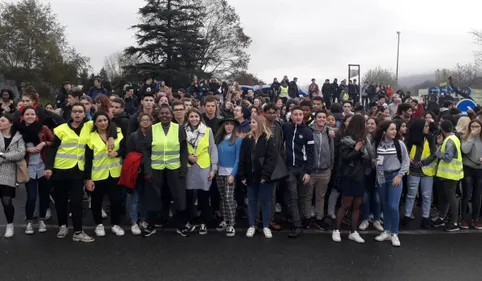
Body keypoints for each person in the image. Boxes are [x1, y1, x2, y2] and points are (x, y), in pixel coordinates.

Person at [45, 103, 116, 243]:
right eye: (75, 111)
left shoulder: (89, 126)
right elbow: (52, 150)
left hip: (78, 171)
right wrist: (49, 167)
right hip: (60, 170)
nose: (77, 114)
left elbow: (110, 124)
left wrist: (112, 137)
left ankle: (78, 231)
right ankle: (63, 226)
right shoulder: (61, 129)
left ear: (85, 113)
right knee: (60, 201)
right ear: (71, 113)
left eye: (80, 112)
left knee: (77, 202)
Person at [142, 104, 190, 237]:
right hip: (156, 169)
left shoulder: (179, 128)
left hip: (174, 168)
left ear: (171, 115)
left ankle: (181, 225)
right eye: (162, 113)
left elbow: (184, 149)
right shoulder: (153, 128)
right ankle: (151, 224)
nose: (164, 115)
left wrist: (183, 167)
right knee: (154, 197)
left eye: (167, 113)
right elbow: (146, 149)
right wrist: (148, 170)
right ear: (158, 115)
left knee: (179, 196)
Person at [84, 111, 125, 237]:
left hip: (115, 173)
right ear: (95, 123)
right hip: (98, 174)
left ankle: (115, 224)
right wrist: (88, 179)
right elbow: (88, 159)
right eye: (99, 121)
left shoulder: (117, 132)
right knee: (97, 201)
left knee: (116, 201)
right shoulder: (90, 137)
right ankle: (99, 225)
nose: (103, 123)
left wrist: (117, 153)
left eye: (105, 120)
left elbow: (125, 148)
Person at [332, 115, 371, 243]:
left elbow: (368, 157)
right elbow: (345, 157)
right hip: (349, 176)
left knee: (357, 204)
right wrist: (357, 148)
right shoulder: (346, 140)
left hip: (361, 176)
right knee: (346, 204)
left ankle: (353, 231)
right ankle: (336, 230)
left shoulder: (365, 140)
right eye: (364, 123)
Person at [238, 115, 277, 238]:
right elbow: (242, 158)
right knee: (252, 201)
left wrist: (265, 175)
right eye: (251, 122)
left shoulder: (269, 139)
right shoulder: (246, 139)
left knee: (265, 201)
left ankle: (265, 226)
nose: (251, 124)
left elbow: (271, 159)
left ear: (260, 123)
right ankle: (251, 225)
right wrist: (242, 175)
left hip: (265, 178)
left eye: (254, 122)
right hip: (250, 177)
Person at [17, 106, 54, 234]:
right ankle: (29, 222)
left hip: (43, 166)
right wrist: (27, 150)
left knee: (44, 195)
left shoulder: (43, 128)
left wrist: (44, 143)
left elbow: (54, 141)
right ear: (23, 116)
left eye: (32, 114)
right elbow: (14, 147)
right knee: (31, 196)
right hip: (28, 167)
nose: (30, 116)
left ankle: (42, 219)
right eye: (27, 114)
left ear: (36, 115)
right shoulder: (18, 131)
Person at [374, 120, 409, 247]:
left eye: (395, 129)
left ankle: (395, 233)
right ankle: (386, 231)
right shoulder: (378, 143)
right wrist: (376, 166)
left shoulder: (399, 144)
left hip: (395, 176)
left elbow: (406, 161)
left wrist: (400, 175)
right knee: (385, 204)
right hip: (382, 176)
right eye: (392, 129)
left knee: (393, 206)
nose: (395, 131)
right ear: (384, 131)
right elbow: (376, 160)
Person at [184, 109, 218, 235]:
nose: (194, 119)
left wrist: (213, 169)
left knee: (204, 196)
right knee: (189, 196)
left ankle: (204, 222)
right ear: (188, 118)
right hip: (189, 166)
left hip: (204, 166)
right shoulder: (182, 130)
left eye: (196, 116)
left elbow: (212, 149)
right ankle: (189, 221)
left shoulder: (207, 130)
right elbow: (180, 148)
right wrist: (188, 156)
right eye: (191, 116)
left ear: (200, 117)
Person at [283, 107, 314, 238]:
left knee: (302, 196)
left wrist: (308, 172)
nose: (298, 117)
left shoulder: (307, 132)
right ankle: (297, 225)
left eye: (300, 114)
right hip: (290, 168)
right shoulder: (286, 128)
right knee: (293, 196)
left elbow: (311, 153)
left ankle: (301, 219)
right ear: (291, 117)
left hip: (303, 168)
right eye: (295, 114)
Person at [402, 119, 437, 229]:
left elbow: (434, 154)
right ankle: (407, 216)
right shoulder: (410, 139)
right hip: (413, 170)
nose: (427, 128)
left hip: (426, 171)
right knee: (411, 195)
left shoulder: (431, 138)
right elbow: (405, 152)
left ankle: (425, 217)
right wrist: (409, 159)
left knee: (427, 195)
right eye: (425, 126)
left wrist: (422, 163)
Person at [433, 120, 464, 232]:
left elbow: (447, 157)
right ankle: (442, 217)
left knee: (450, 197)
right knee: (446, 197)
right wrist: (441, 144)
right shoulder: (454, 138)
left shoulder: (450, 141)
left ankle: (454, 222)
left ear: (441, 129)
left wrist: (437, 151)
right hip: (451, 173)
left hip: (450, 174)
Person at [305, 110, 333, 230]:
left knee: (320, 196)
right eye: (319, 117)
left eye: (323, 117)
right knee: (307, 195)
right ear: (315, 118)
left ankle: (319, 218)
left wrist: (330, 166)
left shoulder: (328, 132)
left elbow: (332, 150)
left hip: (324, 170)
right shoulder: (309, 131)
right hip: (311, 171)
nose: (321, 119)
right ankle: (306, 218)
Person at [0, 113, 26, 238]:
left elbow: (20, 154)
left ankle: (10, 225)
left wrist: (3, 155)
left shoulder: (18, 138)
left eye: (2, 120)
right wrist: (9, 156)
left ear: (10, 123)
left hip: (9, 173)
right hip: (5, 167)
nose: (0, 122)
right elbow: (14, 155)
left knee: (7, 201)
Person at [215, 118, 242, 237]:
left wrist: (233, 174)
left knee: (228, 197)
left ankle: (232, 223)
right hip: (219, 172)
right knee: (222, 197)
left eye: (231, 124)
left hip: (230, 172)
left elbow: (238, 159)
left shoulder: (238, 139)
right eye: (227, 124)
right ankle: (225, 220)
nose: (229, 126)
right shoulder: (219, 139)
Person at [359, 117, 384, 232]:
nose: (370, 125)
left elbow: (382, 155)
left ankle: (377, 219)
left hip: (378, 171)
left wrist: (376, 162)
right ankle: (365, 219)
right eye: (368, 123)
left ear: (376, 125)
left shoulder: (381, 138)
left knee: (377, 198)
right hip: (364, 171)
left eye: (372, 123)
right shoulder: (362, 138)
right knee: (365, 198)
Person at [460, 119, 482, 229]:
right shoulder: (466, 137)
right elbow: (465, 150)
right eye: (472, 127)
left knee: (477, 195)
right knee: (466, 193)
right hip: (468, 168)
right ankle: (463, 218)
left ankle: (475, 218)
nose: (474, 129)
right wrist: (471, 137)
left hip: (479, 170)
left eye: (477, 127)